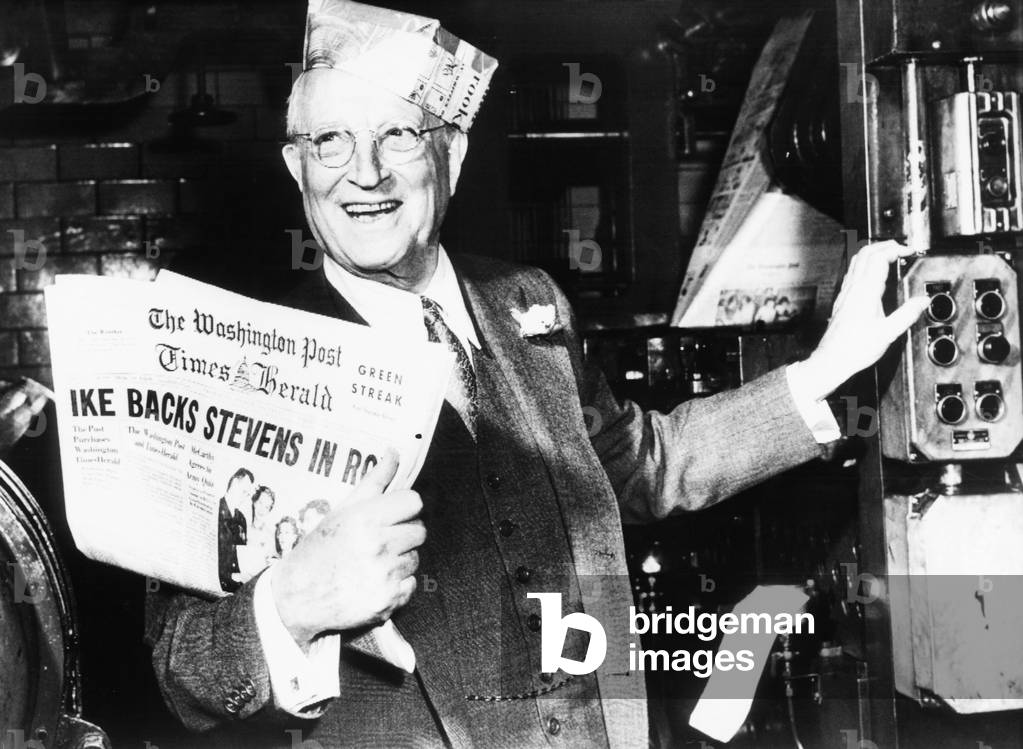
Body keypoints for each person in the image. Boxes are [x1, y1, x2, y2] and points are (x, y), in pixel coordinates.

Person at [146, 1, 930, 747]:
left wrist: (826, 368)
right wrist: (288, 603)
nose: (366, 173)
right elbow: (182, 669)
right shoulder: (246, 361)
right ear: (297, 167)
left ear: (451, 153)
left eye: (398, 135)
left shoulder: (529, 300)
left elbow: (641, 465)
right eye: (330, 143)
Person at [217, 468, 253, 593]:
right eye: (244, 491)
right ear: (234, 483)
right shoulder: (215, 509)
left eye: (248, 494)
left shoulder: (241, 519)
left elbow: (240, 556)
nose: (245, 497)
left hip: (234, 588)